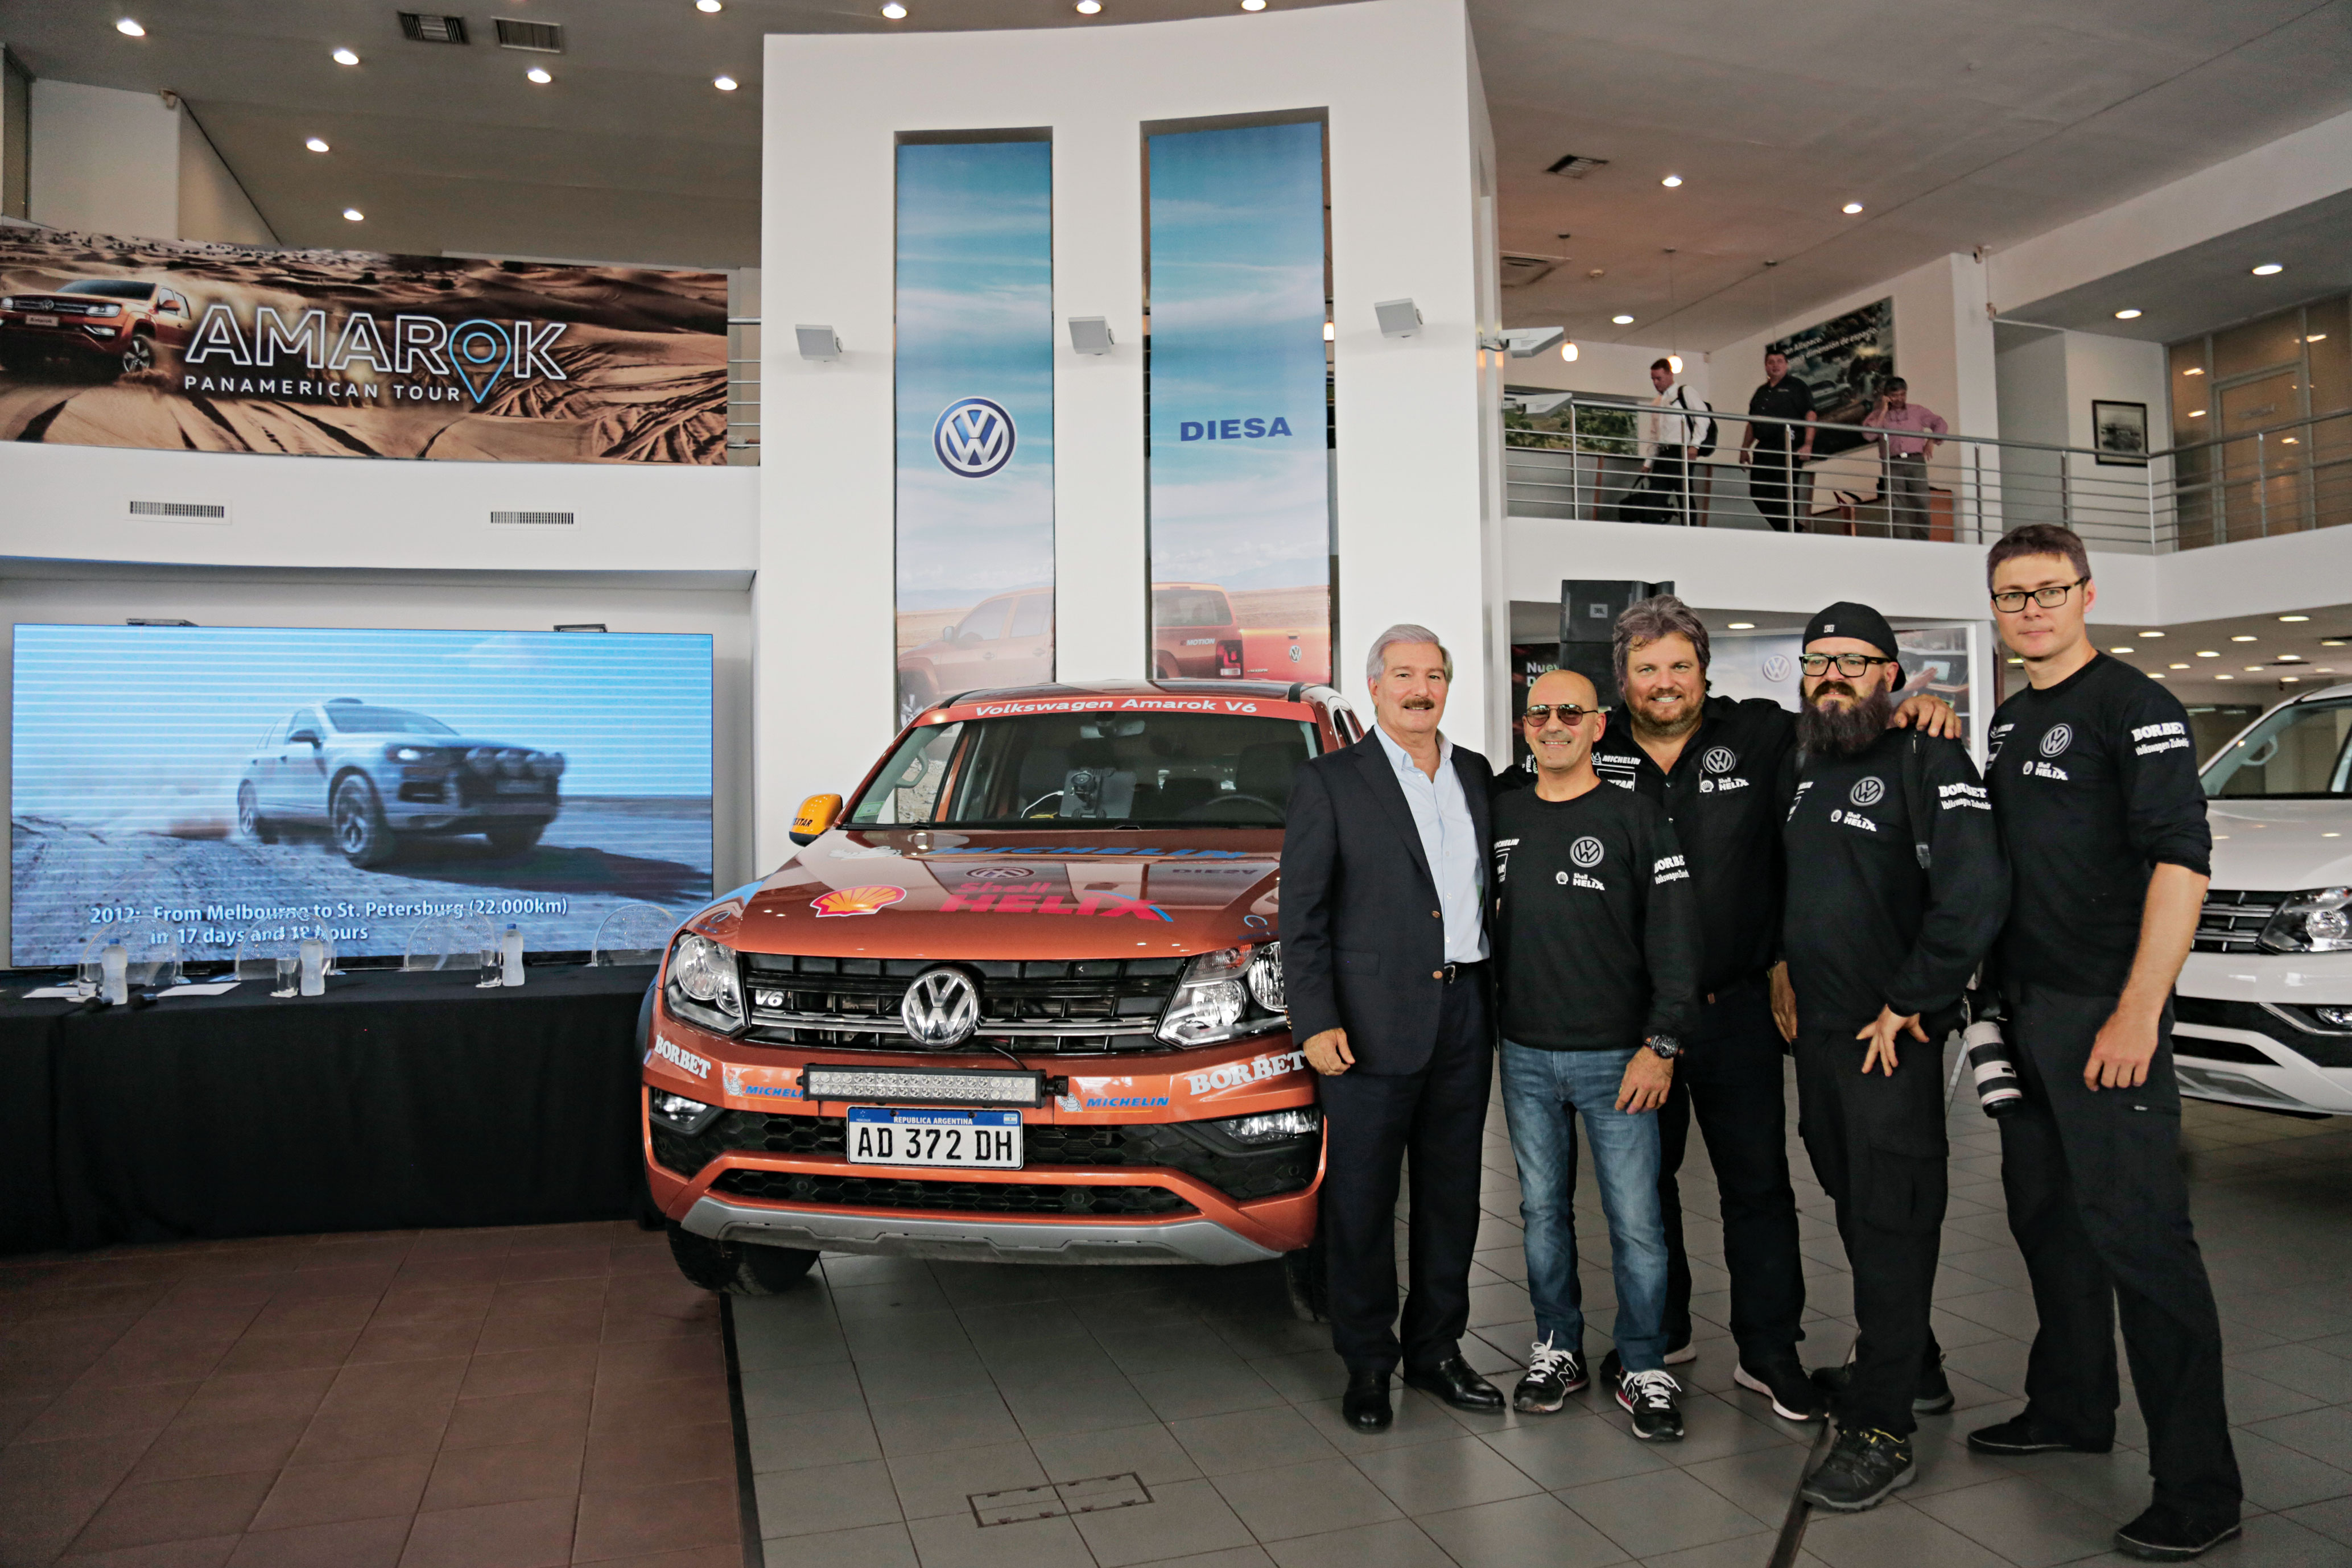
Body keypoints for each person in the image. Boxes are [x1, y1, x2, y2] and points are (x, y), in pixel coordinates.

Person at [1588, 594, 1961, 1425]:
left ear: (1702, 669)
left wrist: (1913, 705)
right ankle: (1664, 1327)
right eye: (1646, 669)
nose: (1663, 682)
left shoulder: (1759, 733)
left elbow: (1848, 721)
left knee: (1755, 1185)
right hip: (1631, 1020)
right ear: (1623, 680)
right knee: (1641, 1186)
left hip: (1739, 1008)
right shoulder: (1591, 744)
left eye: (1678, 665)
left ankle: (1768, 1351)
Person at [1973, 525, 2242, 1561]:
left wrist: (2138, 1008)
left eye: (2047, 590)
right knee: (2048, 1224)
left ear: (2087, 594)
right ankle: (2070, 1407)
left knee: (2142, 1243)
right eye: (2010, 595)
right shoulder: (2007, 723)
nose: (2029, 608)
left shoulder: (2137, 709)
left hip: (2104, 1013)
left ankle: (2199, 1486)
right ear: (1992, 610)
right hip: (2027, 1011)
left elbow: (2180, 864)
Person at [1779, 601, 2007, 1511]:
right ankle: (1910, 1364)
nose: (1832, 675)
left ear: (1891, 674)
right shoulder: (1803, 763)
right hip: (1821, 1037)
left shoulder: (1927, 757)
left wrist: (1911, 1000)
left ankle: (1882, 1426)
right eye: (1817, 661)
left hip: (1892, 1038)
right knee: (1847, 1191)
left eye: (1853, 661)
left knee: (1891, 1214)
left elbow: (1975, 894)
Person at [1284, 624, 1504, 1434]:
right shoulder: (1330, 782)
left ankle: (1437, 1351)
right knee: (1362, 1200)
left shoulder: (1477, 776)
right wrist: (1315, 1021)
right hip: (1366, 1027)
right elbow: (1301, 918)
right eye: (1404, 675)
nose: (1421, 689)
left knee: (1454, 1197)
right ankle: (1368, 1363)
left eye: (1434, 676)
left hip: (1464, 1013)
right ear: (1374, 687)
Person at [1491, 669, 1700, 1441]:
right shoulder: (1500, 814)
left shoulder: (1636, 817)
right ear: (1524, 728)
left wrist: (1660, 1045)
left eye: (1569, 712)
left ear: (1596, 725)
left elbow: (1678, 942)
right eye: (1539, 712)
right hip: (1522, 1053)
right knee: (1541, 1212)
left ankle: (1644, 1362)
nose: (1554, 723)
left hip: (1620, 1057)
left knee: (1636, 1219)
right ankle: (1558, 1347)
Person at [1861, 378, 1947, 540]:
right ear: (1886, 396)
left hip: (1916, 461)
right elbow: (1869, 435)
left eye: (1903, 394)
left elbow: (1940, 423)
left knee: (1922, 502)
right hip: (1892, 463)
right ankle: (1904, 544)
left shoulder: (1917, 411)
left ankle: (1922, 542)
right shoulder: (1878, 415)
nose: (1900, 399)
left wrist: (1931, 440)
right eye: (1895, 395)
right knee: (1897, 506)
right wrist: (1883, 410)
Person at [1739, 348, 1815, 531]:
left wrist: (1808, 444)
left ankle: (1790, 532)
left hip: (1788, 446)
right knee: (1758, 492)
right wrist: (1744, 448)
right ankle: (1791, 531)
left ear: (1786, 365)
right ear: (1766, 366)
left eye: (1779, 361)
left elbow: (1810, 414)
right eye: (1771, 362)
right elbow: (1752, 422)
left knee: (1784, 493)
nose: (1775, 365)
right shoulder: (1760, 392)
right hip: (1764, 448)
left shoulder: (1797, 386)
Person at [1630, 358, 1699, 526]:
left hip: (1681, 452)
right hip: (1663, 454)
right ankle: (1655, 535)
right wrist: (1648, 462)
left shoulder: (1685, 393)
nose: (1655, 383)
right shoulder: (1657, 402)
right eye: (1653, 379)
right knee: (1653, 499)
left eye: (1659, 378)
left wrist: (1694, 446)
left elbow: (1703, 420)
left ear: (1670, 374)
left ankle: (1692, 533)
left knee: (1685, 498)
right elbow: (1655, 436)